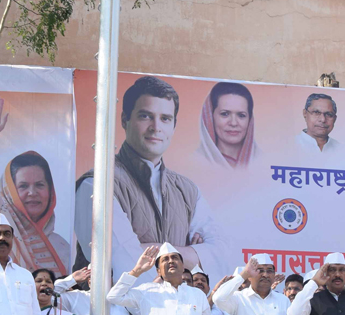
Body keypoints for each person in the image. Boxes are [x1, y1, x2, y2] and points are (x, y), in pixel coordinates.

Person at [74, 75, 230, 281]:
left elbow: (222, 259)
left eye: (165, 118)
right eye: (145, 116)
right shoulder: (96, 184)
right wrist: (191, 253)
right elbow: (120, 262)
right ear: (124, 120)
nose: (156, 127)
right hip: (112, 310)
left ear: (174, 126)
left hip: (173, 310)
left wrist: (147, 249)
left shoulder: (187, 191)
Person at [0, 94, 72, 275]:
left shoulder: (62, 247)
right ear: (10, 192)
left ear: (51, 191)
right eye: (23, 186)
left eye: (40, 185)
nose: (32, 193)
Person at [196, 81, 260, 168]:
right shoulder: (195, 162)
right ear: (210, 117)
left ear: (250, 120)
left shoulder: (262, 162)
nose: (233, 123)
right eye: (225, 114)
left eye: (241, 115)